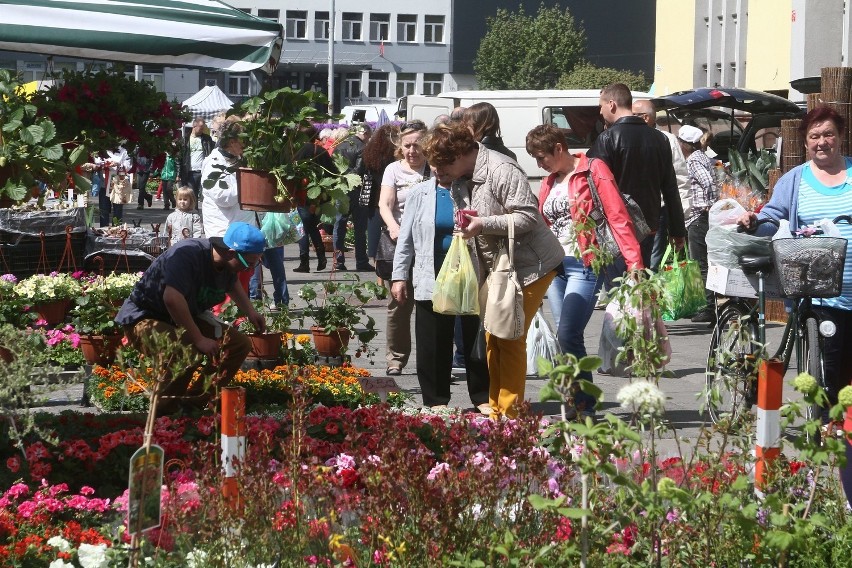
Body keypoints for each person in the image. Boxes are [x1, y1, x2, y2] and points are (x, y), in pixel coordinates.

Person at [422, 122, 564, 419]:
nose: (437, 172)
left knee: (508, 334)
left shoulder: (502, 170)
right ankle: (497, 409)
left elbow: (527, 217)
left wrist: (483, 223)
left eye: (442, 164)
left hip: (530, 265)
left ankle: (510, 415)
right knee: (491, 336)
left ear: (460, 153)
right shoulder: (459, 178)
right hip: (497, 267)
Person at [738, 106, 852, 412]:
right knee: (829, 374)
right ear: (805, 143)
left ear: (840, 137)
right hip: (821, 293)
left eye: (828, 133)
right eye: (814, 136)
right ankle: (826, 437)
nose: (822, 141)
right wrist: (755, 220)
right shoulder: (795, 180)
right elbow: (773, 216)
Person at [527, 124, 644, 417]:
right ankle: (575, 401)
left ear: (558, 148)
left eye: (542, 157)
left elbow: (617, 215)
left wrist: (634, 262)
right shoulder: (549, 181)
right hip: (555, 268)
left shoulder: (593, 169)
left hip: (586, 264)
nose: (539, 164)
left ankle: (584, 404)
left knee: (568, 334)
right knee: (565, 337)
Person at [115, 221, 266, 415]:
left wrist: (250, 311)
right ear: (230, 252)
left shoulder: (228, 264)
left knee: (239, 344)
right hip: (144, 317)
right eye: (249, 263)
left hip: (183, 317)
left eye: (257, 262)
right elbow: (172, 299)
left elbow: (231, 283)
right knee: (185, 350)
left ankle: (192, 405)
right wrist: (199, 339)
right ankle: (163, 415)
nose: (250, 269)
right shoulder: (187, 254)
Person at [391, 168, 490, 413]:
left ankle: (482, 396)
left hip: (468, 271)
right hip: (430, 272)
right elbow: (406, 239)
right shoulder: (419, 193)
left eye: (446, 162)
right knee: (432, 338)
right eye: (436, 162)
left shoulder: (471, 189)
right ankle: (436, 400)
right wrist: (399, 276)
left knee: (474, 334)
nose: (441, 169)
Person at [589, 83, 687, 268]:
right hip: (649, 225)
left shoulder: (607, 138)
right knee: (643, 279)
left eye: (601, 106)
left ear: (611, 104)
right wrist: (677, 230)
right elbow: (670, 187)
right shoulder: (660, 139)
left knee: (620, 286)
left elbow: (594, 187)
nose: (600, 112)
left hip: (618, 227)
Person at [378, 120, 431, 375]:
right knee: (399, 303)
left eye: (417, 145)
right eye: (407, 146)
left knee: (433, 305)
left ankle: (432, 359)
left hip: (430, 246)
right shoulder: (393, 170)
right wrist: (393, 226)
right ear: (401, 146)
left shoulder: (435, 168)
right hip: (401, 245)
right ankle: (396, 359)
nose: (412, 151)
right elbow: (384, 205)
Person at [631, 99, 691, 271]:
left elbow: (680, 179)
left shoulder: (668, 140)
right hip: (632, 212)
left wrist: (680, 221)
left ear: (645, 118)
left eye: (633, 115)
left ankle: (649, 296)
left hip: (659, 213)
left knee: (653, 263)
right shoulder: (628, 136)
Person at [201, 117, 255, 289]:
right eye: (243, 141)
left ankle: (240, 315)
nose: (246, 145)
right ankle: (226, 316)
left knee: (242, 283)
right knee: (227, 286)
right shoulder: (213, 162)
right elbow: (223, 197)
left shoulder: (238, 159)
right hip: (224, 234)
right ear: (231, 142)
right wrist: (250, 184)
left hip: (241, 232)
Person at [677, 124, 717, 323]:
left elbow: (708, 181)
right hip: (701, 217)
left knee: (701, 263)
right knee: (702, 263)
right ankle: (705, 305)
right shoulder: (702, 157)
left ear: (685, 145)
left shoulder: (693, 160)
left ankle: (708, 308)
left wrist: (711, 203)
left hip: (698, 217)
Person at [293, 125, 337, 273]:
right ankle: (321, 257)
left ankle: (304, 262)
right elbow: (334, 173)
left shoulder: (299, 151)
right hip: (320, 196)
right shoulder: (322, 151)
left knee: (303, 229)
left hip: (304, 195)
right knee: (312, 227)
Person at [358, 124, 400, 269]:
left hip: (374, 200)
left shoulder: (370, 154)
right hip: (393, 199)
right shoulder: (395, 158)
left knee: (375, 239)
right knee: (393, 237)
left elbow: (362, 173)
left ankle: (379, 278)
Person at [333, 123, 373, 271]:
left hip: (341, 188)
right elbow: (359, 170)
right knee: (360, 227)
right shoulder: (362, 148)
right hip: (357, 189)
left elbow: (333, 166)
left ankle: (338, 261)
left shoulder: (340, 145)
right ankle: (361, 261)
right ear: (366, 134)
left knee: (339, 224)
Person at [181, 118, 215, 202]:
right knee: (192, 195)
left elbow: (211, 152)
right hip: (190, 172)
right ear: (194, 126)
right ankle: (194, 213)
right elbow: (180, 157)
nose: (202, 130)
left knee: (205, 196)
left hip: (204, 171)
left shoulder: (207, 139)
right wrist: (178, 173)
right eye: (201, 128)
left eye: (203, 128)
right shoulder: (185, 139)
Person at [97, 146, 132, 227]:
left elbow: (128, 166)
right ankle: (103, 229)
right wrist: (105, 165)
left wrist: (119, 164)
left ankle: (117, 229)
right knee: (104, 209)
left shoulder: (123, 151)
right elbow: (97, 163)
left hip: (119, 184)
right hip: (104, 184)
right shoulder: (102, 151)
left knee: (118, 209)